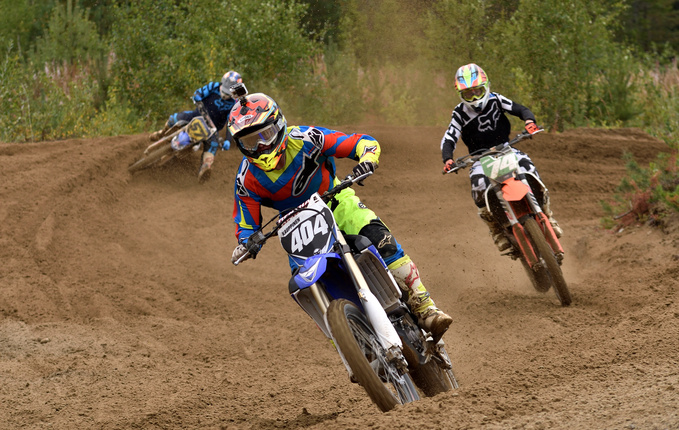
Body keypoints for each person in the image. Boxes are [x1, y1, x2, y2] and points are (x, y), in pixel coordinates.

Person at [228, 92, 453, 340]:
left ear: (279, 125)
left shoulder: (307, 138)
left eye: (265, 135)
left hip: (335, 201)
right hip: (295, 226)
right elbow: (247, 224)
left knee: (380, 239)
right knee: (306, 288)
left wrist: (367, 159)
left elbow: (361, 143)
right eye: (250, 142)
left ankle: (425, 308)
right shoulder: (246, 179)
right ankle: (349, 344)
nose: (260, 146)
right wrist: (247, 243)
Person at [440, 63, 563, 251]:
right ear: (461, 95)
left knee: (528, 167)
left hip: (506, 149)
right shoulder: (459, 113)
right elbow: (449, 138)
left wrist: (529, 122)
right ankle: (496, 230)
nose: (474, 97)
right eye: (468, 94)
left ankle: (548, 215)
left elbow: (520, 109)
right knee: (479, 186)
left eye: (477, 91)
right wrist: (448, 159)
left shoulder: (496, 100)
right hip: (479, 158)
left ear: (486, 87)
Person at [149, 70, 244, 182]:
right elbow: (198, 92)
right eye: (224, 90)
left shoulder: (235, 103)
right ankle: (161, 133)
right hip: (197, 115)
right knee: (173, 119)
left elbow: (231, 121)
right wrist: (197, 97)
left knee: (213, 145)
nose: (225, 94)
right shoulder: (213, 86)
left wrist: (228, 139)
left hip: (212, 128)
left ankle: (205, 167)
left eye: (228, 93)